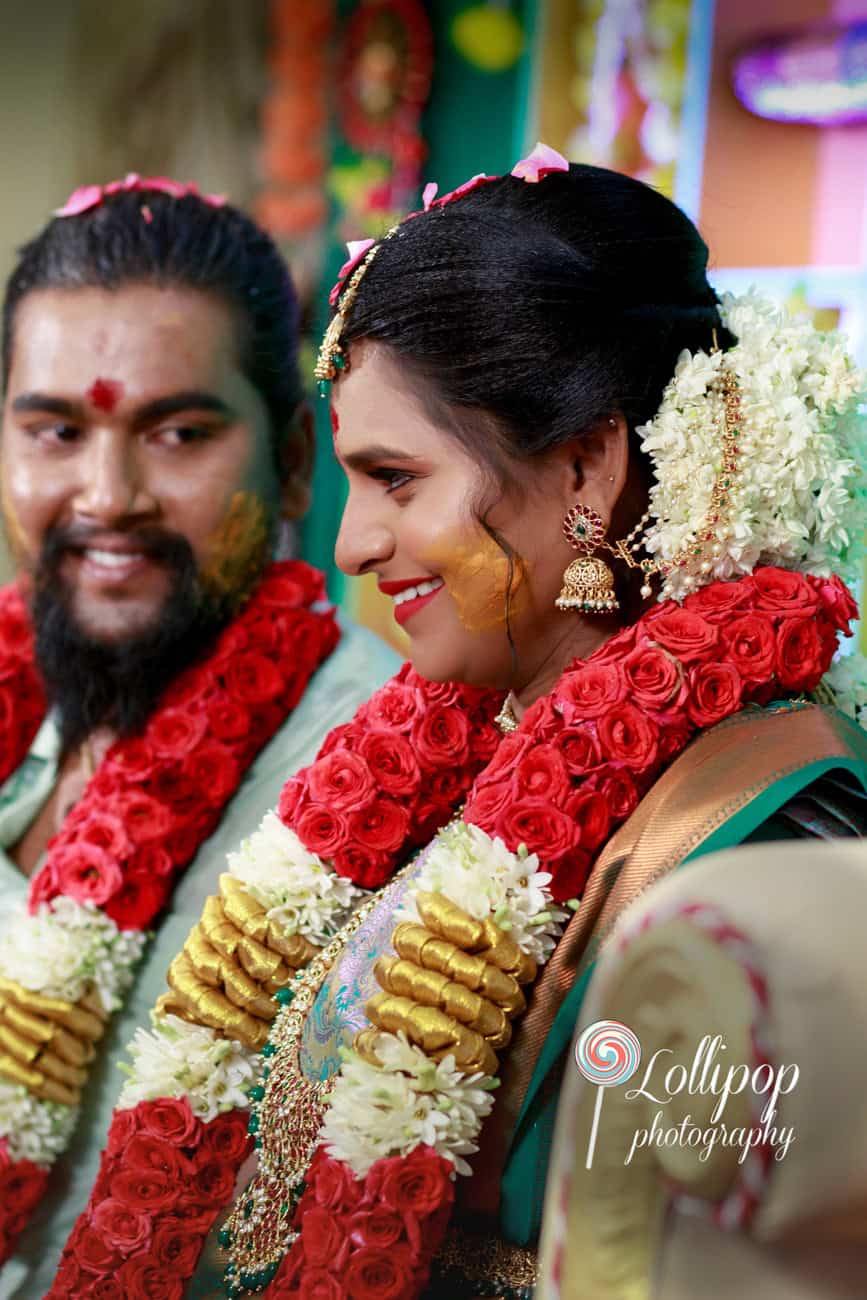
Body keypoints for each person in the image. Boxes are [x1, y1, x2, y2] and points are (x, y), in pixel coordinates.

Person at [55, 149, 867, 1299]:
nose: (352, 545)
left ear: (587, 467)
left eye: (396, 478)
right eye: (349, 483)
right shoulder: (441, 753)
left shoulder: (765, 831)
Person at [0, 174, 399, 1297]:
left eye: (177, 432)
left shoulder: (382, 787)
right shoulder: (18, 693)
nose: (107, 493)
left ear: (290, 467)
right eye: (55, 430)